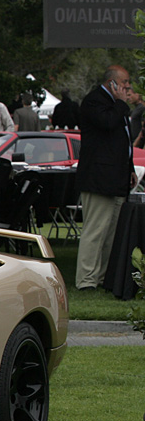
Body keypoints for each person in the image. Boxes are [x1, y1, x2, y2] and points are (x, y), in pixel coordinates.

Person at [74, 65, 137, 291]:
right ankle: (86, 280)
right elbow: (107, 123)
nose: (128, 87)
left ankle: (101, 277)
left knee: (111, 233)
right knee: (96, 230)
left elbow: (124, 141)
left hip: (116, 177)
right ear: (112, 83)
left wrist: (129, 168)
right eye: (124, 83)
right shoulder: (94, 101)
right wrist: (120, 103)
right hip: (98, 178)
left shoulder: (117, 107)